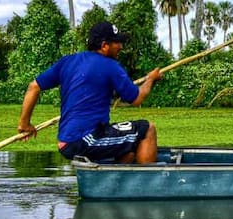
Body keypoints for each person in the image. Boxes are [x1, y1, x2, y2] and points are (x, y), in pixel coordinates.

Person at [17, 21, 163, 164]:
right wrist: (151, 79)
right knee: (147, 129)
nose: (120, 46)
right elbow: (137, 98)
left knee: (129, 152)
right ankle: (149, 184)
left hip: (65, 142)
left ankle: (115, 184)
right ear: (104, 45)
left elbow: (33, 87)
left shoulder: (68, 61)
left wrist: (24, 124)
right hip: (86, 139)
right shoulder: (111, 66)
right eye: (116, 42)